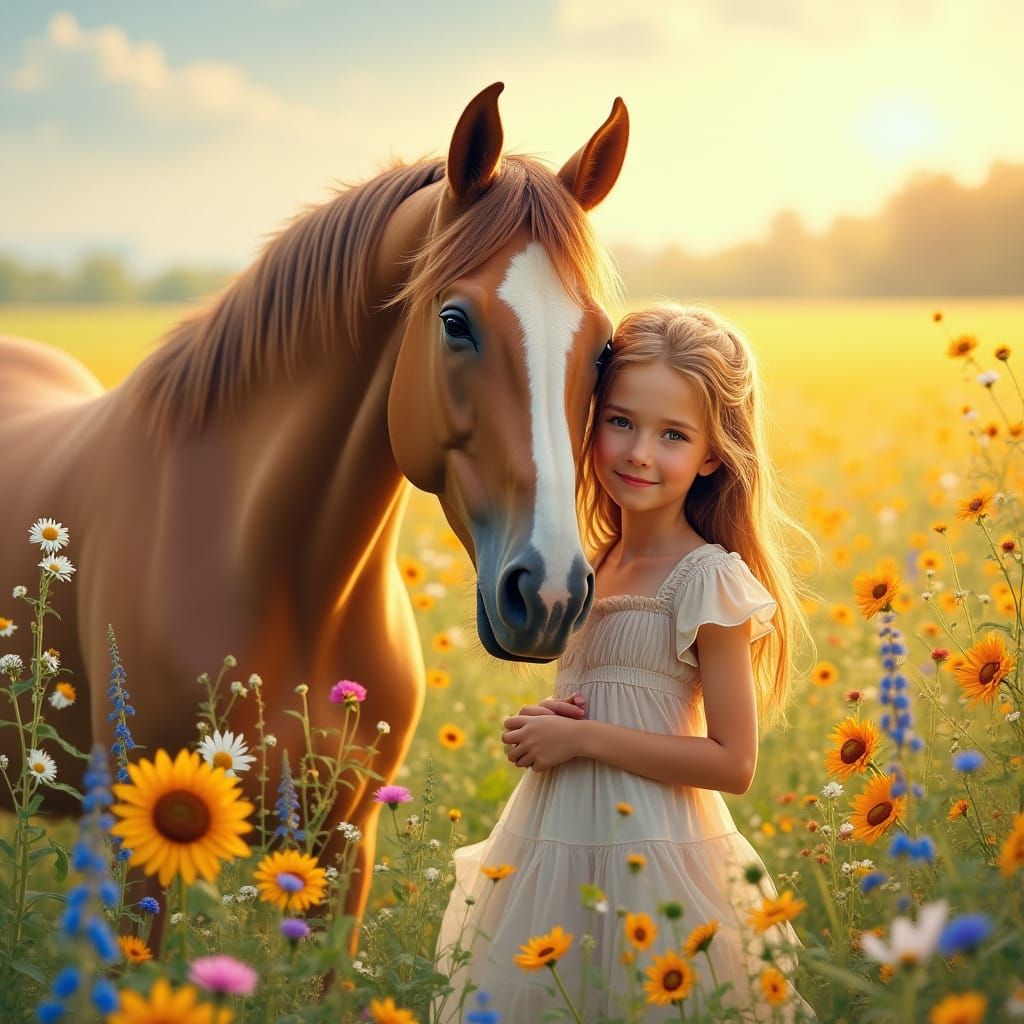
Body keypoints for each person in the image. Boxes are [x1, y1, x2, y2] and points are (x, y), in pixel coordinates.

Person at [435, 304, 817, 1023]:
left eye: (672, 435)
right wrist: (549, 728)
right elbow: (603, 700)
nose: (640, 452)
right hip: (554, 850)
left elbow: (733, 762)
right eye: (621, 422)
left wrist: (584, 739)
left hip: (658, 865)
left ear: (711, 454)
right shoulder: (585, 568)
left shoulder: (706, 576)